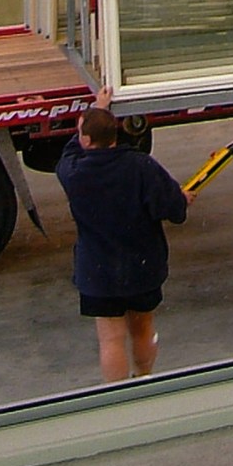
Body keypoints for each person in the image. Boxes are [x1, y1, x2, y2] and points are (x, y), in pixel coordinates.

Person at [55, 89, 188, 381]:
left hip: (98, 271)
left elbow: (70, 151)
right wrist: (181, 200)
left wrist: (96, 108)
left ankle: (116, 396)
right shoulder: (141, 166)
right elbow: (173, 209)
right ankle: (144, 377)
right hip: (142, 266)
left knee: (111, 339)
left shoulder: (74, 173)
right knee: (142, 328)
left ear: (86, 140)